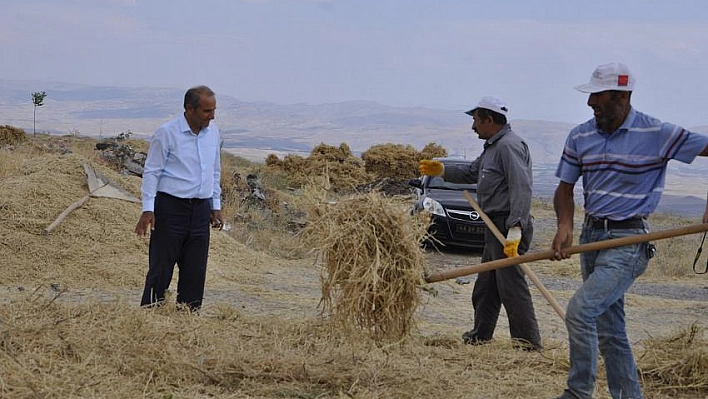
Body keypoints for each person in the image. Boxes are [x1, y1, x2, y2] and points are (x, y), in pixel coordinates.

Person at [550, 62, 708, 399]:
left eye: (598, 95)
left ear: (623, 96)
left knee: (580, 311)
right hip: (590, 238)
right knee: (610, 330)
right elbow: (565, 188)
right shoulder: (580, 135)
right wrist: (565, 225)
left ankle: (577, 393)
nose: (590, 102)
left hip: (630, 240)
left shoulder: (657, 134)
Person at [419, 96, 542, 350]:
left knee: (511, 286)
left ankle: (528, 344)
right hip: (493, 225)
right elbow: (470, 173)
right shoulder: (492, 147)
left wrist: (515, 228)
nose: (473, 126)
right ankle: (480, 335)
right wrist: (440, 170)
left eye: (476, 120)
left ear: (489, 120)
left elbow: (521, 187)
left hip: (507, 226)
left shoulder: (509, 146)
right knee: (486, 286)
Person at [135, 85, 224, 311]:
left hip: (201, 210)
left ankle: (187, 320)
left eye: (214, 110)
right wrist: (148, 209)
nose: (212, 116)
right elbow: (152, 171)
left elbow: (214, 171)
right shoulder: (167, 133)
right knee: (161, 269)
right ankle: (150, 316)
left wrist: (215, 205)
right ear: (189, 109)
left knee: (195, 271)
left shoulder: (213, 133)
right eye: (206, 111)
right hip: (170, 209)